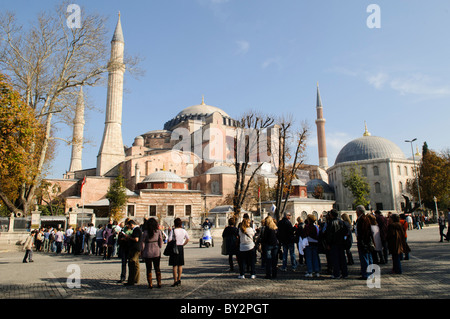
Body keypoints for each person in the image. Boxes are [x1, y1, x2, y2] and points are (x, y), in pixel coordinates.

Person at [324, 209, 348, 279]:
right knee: (342, 258)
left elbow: (329, 234)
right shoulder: (341, 222)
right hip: (341, 243)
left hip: (334, 243)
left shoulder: (331, 223)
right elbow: (345, 231)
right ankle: (345, 273)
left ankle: (336, 273)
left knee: (335, 259)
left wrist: (328, 243)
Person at [141, 218, 163, 289]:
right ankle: (159, 283)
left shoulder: (145, 232)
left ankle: (150, 284)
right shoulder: (158, 232)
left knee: (148, 268)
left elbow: (143, 242)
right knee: (157, 268)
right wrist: (159, 246)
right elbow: (160, 242)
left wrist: (142, 250)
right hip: (156, 252)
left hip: (148, 251)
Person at [168, 218, 190, 286]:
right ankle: (179, 279)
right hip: (180, 247)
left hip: (174, 247)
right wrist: (183, 244)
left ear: (174, 224)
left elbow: (169, 240)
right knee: (180, 264)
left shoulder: (173, 231)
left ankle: (175, 281)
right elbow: (188, 239)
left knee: (174, 265)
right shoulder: (183, 230)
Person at [355, 205, 374, 280]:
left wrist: (362, 240)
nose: (356, 212)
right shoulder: (366, 218)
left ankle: (366, 274)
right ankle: (370, 272)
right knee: (368, 257)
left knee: (364, 258)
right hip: (366, 241)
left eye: (356, 210)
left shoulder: (362, 219)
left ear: (359, 211)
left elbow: (363, 231)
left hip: (364, 241)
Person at [124, 219, 142, 286]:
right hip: (137, 248)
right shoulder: (138, 229)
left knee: (132, 263)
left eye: (129, 226)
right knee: (136, 264)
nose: (129, 228)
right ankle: (136, 279)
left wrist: (128, 237)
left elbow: (136, 239)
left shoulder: (136, 229)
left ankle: (131, 280)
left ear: (131, 224)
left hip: (134, 248)